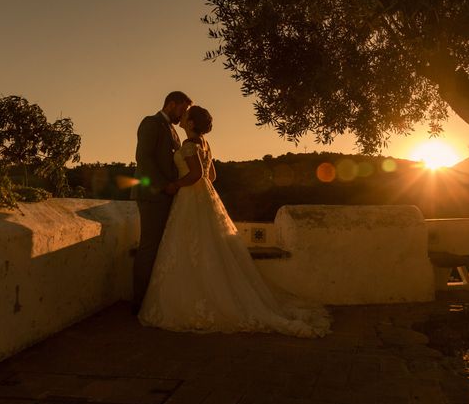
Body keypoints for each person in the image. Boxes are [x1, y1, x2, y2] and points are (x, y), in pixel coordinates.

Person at [138, 106, 331, 337]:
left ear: (190, 123)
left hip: (189, 197)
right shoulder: (205, 145)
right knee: (206, 245)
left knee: (189, 245)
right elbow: (212, 176)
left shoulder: (189, 145)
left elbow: (197, 175)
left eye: (186, 117)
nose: (183, 119)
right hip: (204, 197)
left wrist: (176, 185)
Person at [131, 91, 192, 315]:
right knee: (148, 247)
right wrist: (163, 185)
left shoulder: (173, 130)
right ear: (171, 104)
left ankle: (153, 300)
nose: (184, 114)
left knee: (160, 247)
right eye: (182, 109)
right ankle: (139, 303)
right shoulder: (151, 123)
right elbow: (143, 158)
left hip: (167, 195)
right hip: (152, 195)